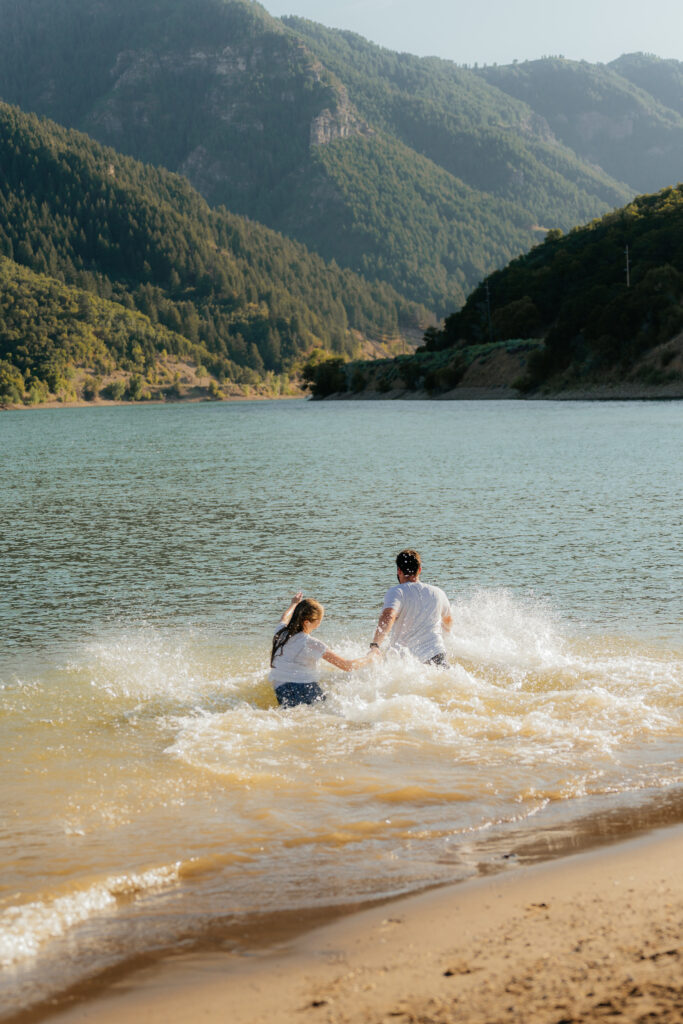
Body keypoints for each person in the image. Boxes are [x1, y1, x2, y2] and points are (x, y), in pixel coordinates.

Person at [270, 592, 377, 707]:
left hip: (280, 688)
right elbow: (346, 666)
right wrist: (370, 657)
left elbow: (285, 617)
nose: (319, 623)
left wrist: (293, 604)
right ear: (307, 622)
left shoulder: (280, 632)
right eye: (318, 621)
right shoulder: (309, 642)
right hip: (303, 688)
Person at [369, 549, 452, 666]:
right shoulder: (438, 593)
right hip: (438, 655)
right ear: (419, 570)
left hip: (410, 662)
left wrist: (375, 645)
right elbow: (448, 621)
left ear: (399, 571)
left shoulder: (397, 592)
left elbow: (389, 615)